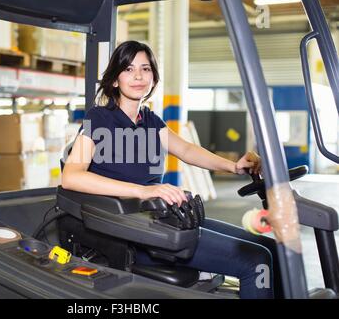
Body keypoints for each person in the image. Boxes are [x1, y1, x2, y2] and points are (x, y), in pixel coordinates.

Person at [62, 40, 282, 299]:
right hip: (128, 229)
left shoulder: (151, 122)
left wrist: (233, 166)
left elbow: (187, 151)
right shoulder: (99, 118)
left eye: (145, 69)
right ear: (114, 80)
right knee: (255, 261)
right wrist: (144, 191)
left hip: (162, 219)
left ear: (153, 78)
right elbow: (71, 176)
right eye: (129, 69)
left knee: (270, 247)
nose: (138, 76)